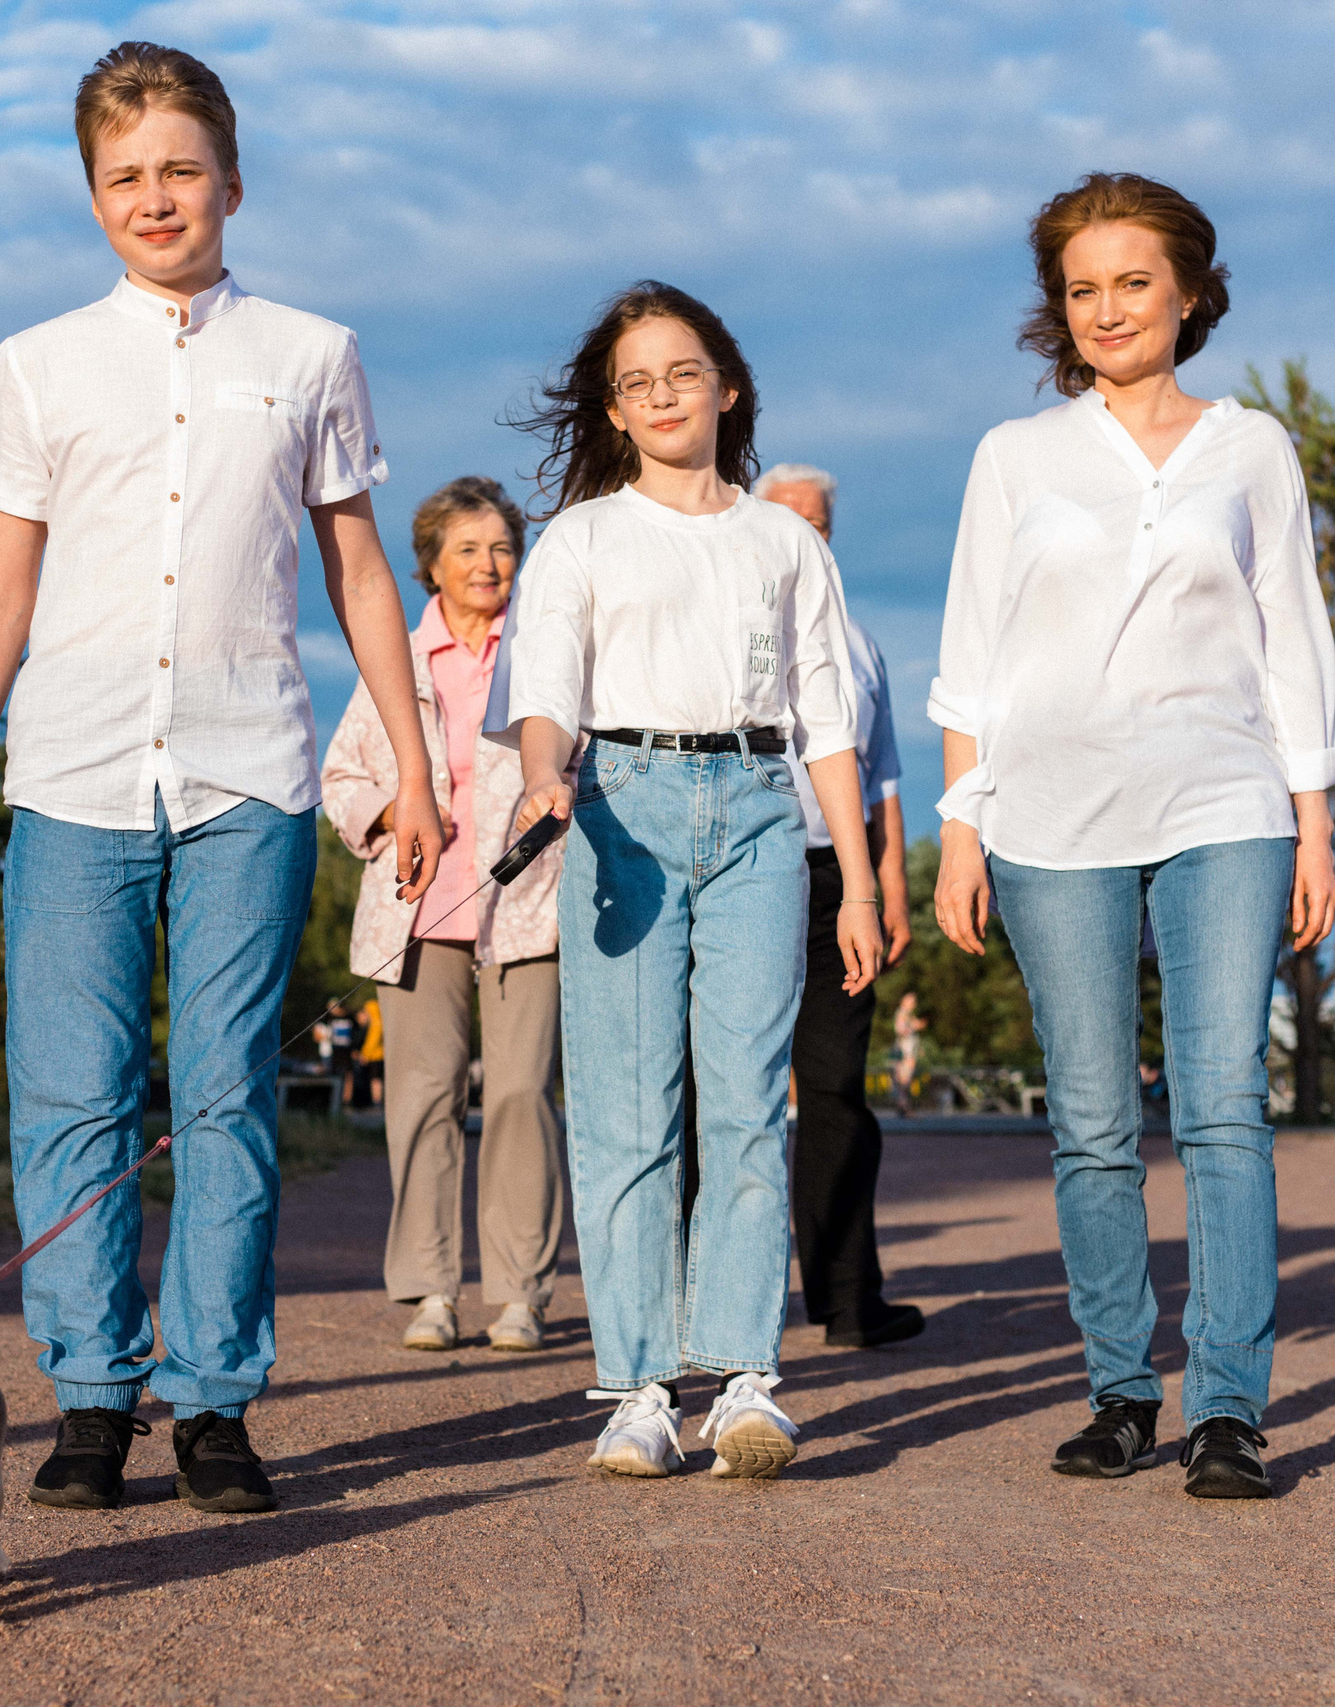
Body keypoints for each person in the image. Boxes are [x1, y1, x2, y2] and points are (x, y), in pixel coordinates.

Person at [0, 42, 442, 1517]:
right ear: (93, 195)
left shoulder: (309, 352)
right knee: (72, 1096)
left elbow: (354, 565)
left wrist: (411, 767)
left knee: (226, 1097)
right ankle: (91, 1395)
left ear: (231, 176)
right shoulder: (36, 363)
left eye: (179, 167)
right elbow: (1, 591)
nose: (154, 197)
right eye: (123, 176)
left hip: (248, 772)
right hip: (75, 775)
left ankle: (212, 1399)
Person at [931, 174, 1335, 1500]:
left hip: (1227, 803)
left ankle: (1228, 1405)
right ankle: (1121, 1385)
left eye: (1131, 281)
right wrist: (959, 829)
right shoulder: (1016, 456)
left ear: (1187, 292)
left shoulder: (1253, 448)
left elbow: (1296, 642)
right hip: (1050, 816)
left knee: (1224, 1106)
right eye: (1081, 287)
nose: (1106, 308)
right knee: (1097, 1118)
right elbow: (971, 657)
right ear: (1061, 309)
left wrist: (1315, 822)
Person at [497, 281, 883, 1482]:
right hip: (621, 804)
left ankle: (745, 1382)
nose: (662, 394)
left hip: (766, 815)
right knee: (624, 1106)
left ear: (727, 385)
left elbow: (830, 718)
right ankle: (639, 1391)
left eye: (683, 371)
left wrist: (859, 885)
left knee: (747, 1098)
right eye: (636, 381)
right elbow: (548, 681)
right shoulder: (581, 537)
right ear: (613, 412)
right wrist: (543, 775)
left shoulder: (783, 541)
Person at [322, 476, 569, 1356]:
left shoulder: (542, 652)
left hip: (530, 906)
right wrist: (393, 815)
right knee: (422, 1100)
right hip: (417, 910)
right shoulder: (397, 656)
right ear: (430, 565)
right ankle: (431, 1291)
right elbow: (342, 778)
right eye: (468, 548)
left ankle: (520, 1293)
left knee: (518, 1096)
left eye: (502, 546)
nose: (489, 564)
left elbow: (585, 757)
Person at [751, 462, 924, 1350]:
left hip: (836, 881)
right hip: (745, 871)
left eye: (819, 522)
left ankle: (850, 1297)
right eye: (788, 519)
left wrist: (888, 881)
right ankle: (719, 1305)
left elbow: (883, 768)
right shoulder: (734, 624)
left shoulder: (858, 641)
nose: (805, 536)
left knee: (836, 1090)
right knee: (728, 1091)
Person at [890, 991, 927, 1115]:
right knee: (903, 1081)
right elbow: (901, 1030)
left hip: (907, 1051)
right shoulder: (902, 1014)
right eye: (912, 1002)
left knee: (904, 1081)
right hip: (905, 1053)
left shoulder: (907, 1014)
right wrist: (914, 1026)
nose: (914, 1004)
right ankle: (903, 1107)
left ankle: (903, 1106)